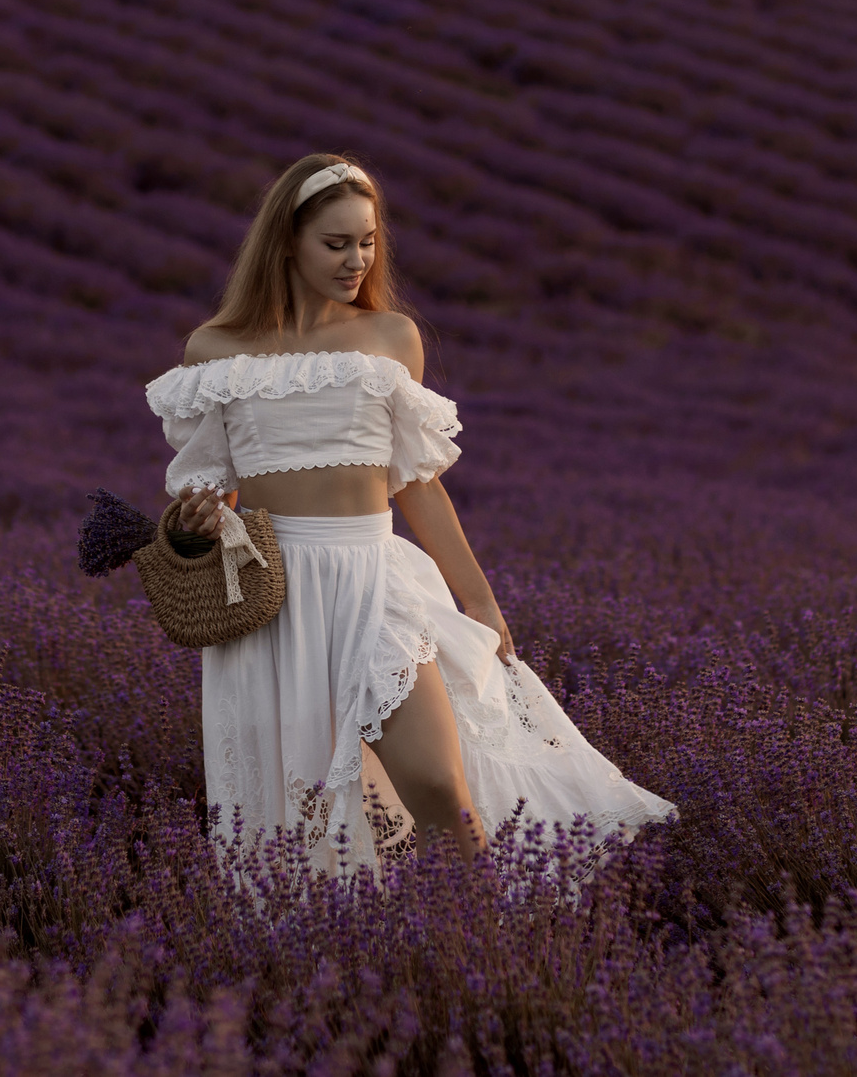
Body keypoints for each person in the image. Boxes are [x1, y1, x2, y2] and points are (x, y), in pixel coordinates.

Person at [146, 152, 676, 875]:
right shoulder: (215, 353)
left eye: (367, 240)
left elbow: (419, 484)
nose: (357, 258)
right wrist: (196, 522)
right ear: (286, 243)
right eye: (336, 243)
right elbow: (202, 496)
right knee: (303, 809)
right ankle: (353, 955)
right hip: (274, 597)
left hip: (376, 580)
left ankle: (483, 944)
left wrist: (482, 602)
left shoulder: (390, 337)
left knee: (436, 782)